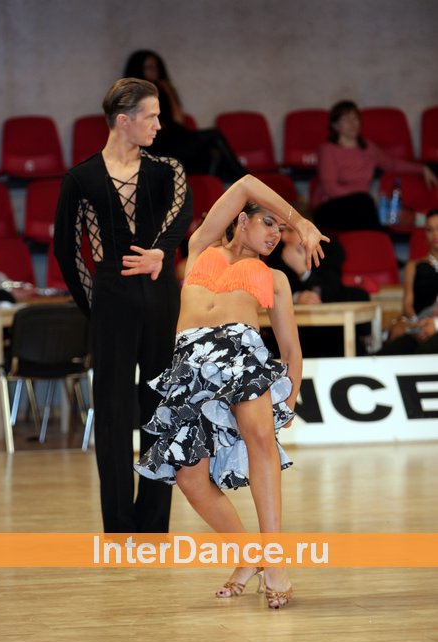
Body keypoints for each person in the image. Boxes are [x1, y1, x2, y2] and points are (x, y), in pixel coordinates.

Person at [121, 174, 329, 608]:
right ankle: (248, 555)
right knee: (189, 476)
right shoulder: (201, 247)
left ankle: (275, 562)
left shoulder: (276, 279)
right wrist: (299, 220)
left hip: (241, 355)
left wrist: (287, 403)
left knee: (261, 444)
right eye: (268, 223)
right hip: (189, 364)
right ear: (242, 220)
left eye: (281, 229)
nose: (275, 234)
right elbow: (246, 183)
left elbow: (291, 350)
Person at [54, 78, 193, 533]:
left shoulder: (167, 168)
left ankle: (153, 521)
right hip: (110, 299)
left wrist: (160, 253)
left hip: (160, 296)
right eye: (151, 116)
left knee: (160, 407)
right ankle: (117, 522)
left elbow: (182, 212)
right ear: (123, 120)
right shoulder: (81, 178)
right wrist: (94, 305)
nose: (159, 124)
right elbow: (66, 250)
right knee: (112, 413)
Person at [312, 100, 438, 232]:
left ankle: (419, 224)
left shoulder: (368, 147)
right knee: (367, 205)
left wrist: (422, 168)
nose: (352, 123)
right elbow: (330, 188)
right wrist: (361, 197)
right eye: (346, 120)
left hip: (362, 208)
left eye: (355, 118)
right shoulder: (327, 149)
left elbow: (392, 164)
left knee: (383, 210)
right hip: (331, 208)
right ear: (335, 125)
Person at [123, 50, 246, 183]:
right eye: (149, 67)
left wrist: (169, 91)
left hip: (174, 140)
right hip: (156, 146)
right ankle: (244, 178)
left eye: (156, 66)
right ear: (138, 70)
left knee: (212, 154)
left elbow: (178, 121)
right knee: (213, 135)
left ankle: (224, 187)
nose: (154, 70)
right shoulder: (134, 95)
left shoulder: (162, 91)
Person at [266, 225, 370, 357]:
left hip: (329, 329)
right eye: (281, 230)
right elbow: (271, 291)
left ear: (309, 229)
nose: (284, 237)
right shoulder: (276, 251)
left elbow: (329, 291)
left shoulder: (330, 249)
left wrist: (304, 272)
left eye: (290, 231)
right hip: (295, 330)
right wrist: (296, 297)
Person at [377, 209, 438, 354]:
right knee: (396, 339)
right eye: (429, 230)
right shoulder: (413, 266)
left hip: (435, 325)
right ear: (425, 234)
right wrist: (417, 323)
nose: (435, 234)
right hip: (418, 321)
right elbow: (408, 304)